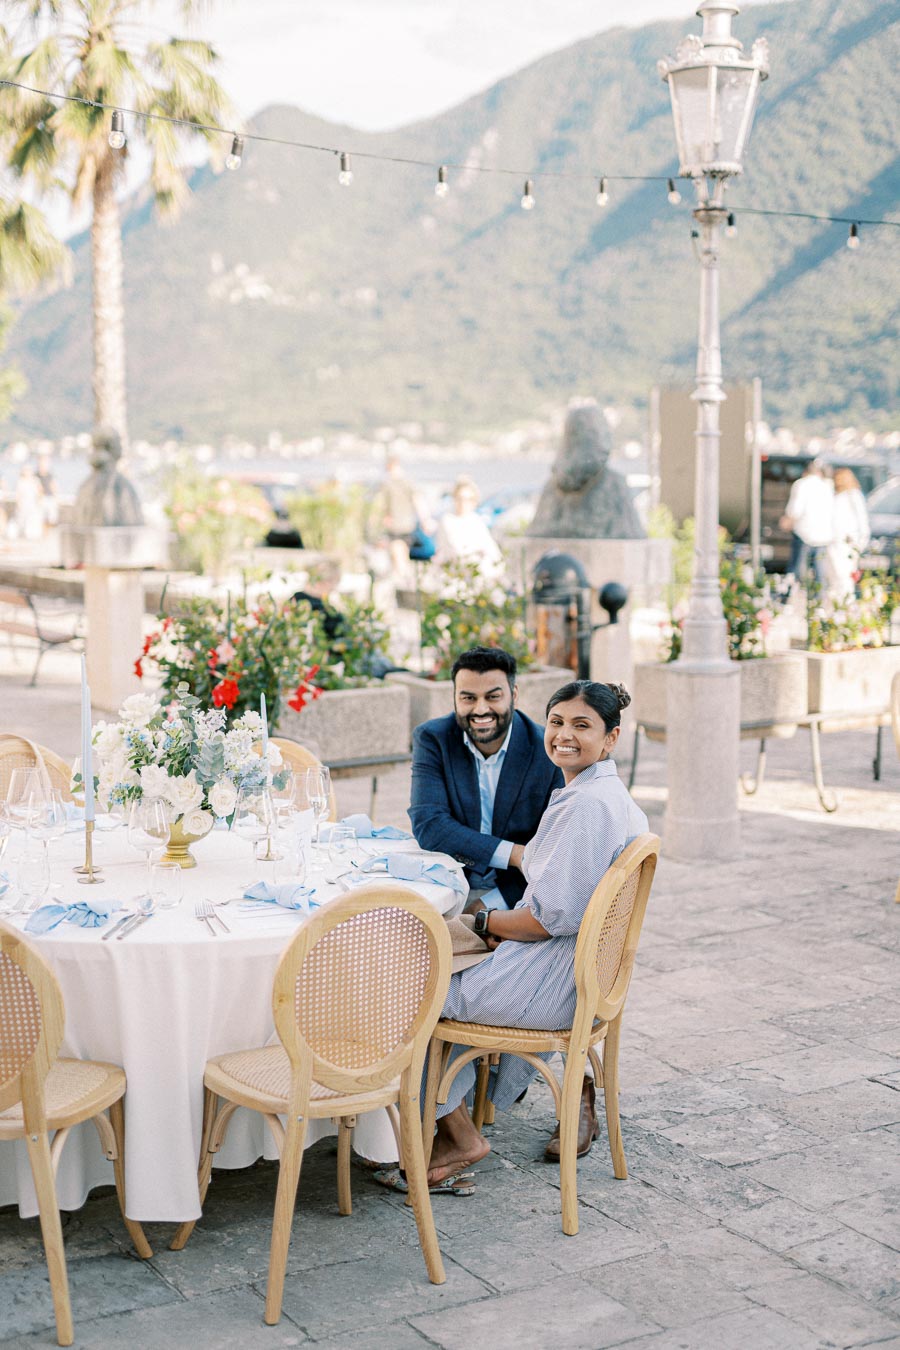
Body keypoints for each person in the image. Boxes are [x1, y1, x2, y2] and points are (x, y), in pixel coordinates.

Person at [422, 679, 648, 1185]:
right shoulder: (604, 793)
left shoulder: (586, 806)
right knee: (441, 950)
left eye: (582, 726)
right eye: (557, 722)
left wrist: (480, 922)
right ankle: (438, 1121)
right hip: (578, 973)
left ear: (611, 738)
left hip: (553, 981)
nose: (564, 735)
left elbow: (547, 921)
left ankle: (451, 1135)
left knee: (411, 980)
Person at [409, 646, 562, 912]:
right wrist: (516, 854)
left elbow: (553, 850)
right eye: (468, 698)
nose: (480, 709)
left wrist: (488, 904)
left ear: (513, 694)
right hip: (448, 885)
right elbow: (429, 825)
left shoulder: (547, 749)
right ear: (454, 697)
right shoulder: (433, 738)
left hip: (520, 894)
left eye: (493, 697)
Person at [434, 475, 503, 578]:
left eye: (468, 499)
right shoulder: (447, 520)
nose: (463, 503)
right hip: (455, 576)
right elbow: (457, 550)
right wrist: (478, 552)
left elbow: (493, 551)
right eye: (460, 498)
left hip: (480, 574)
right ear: (454, 499)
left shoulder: (476, 520)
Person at [780, 459, 833, 589]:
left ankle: (789, 597)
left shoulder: (801, 484)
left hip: (804, 533)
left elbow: (795, 510)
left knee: (796, 570)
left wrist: (787, 521)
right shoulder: (827, 485)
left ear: (805, 472)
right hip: (824, 535)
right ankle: (820, 601)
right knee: (820, 573)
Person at [827, 468, 870, 601]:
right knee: (834, 576)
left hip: (848, 541)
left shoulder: (853, 495)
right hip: (834, 541)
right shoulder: (836, 495)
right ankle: (838, 605)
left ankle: (847, 604)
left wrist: (861, 541)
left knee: (844, 575)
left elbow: (862, 519)